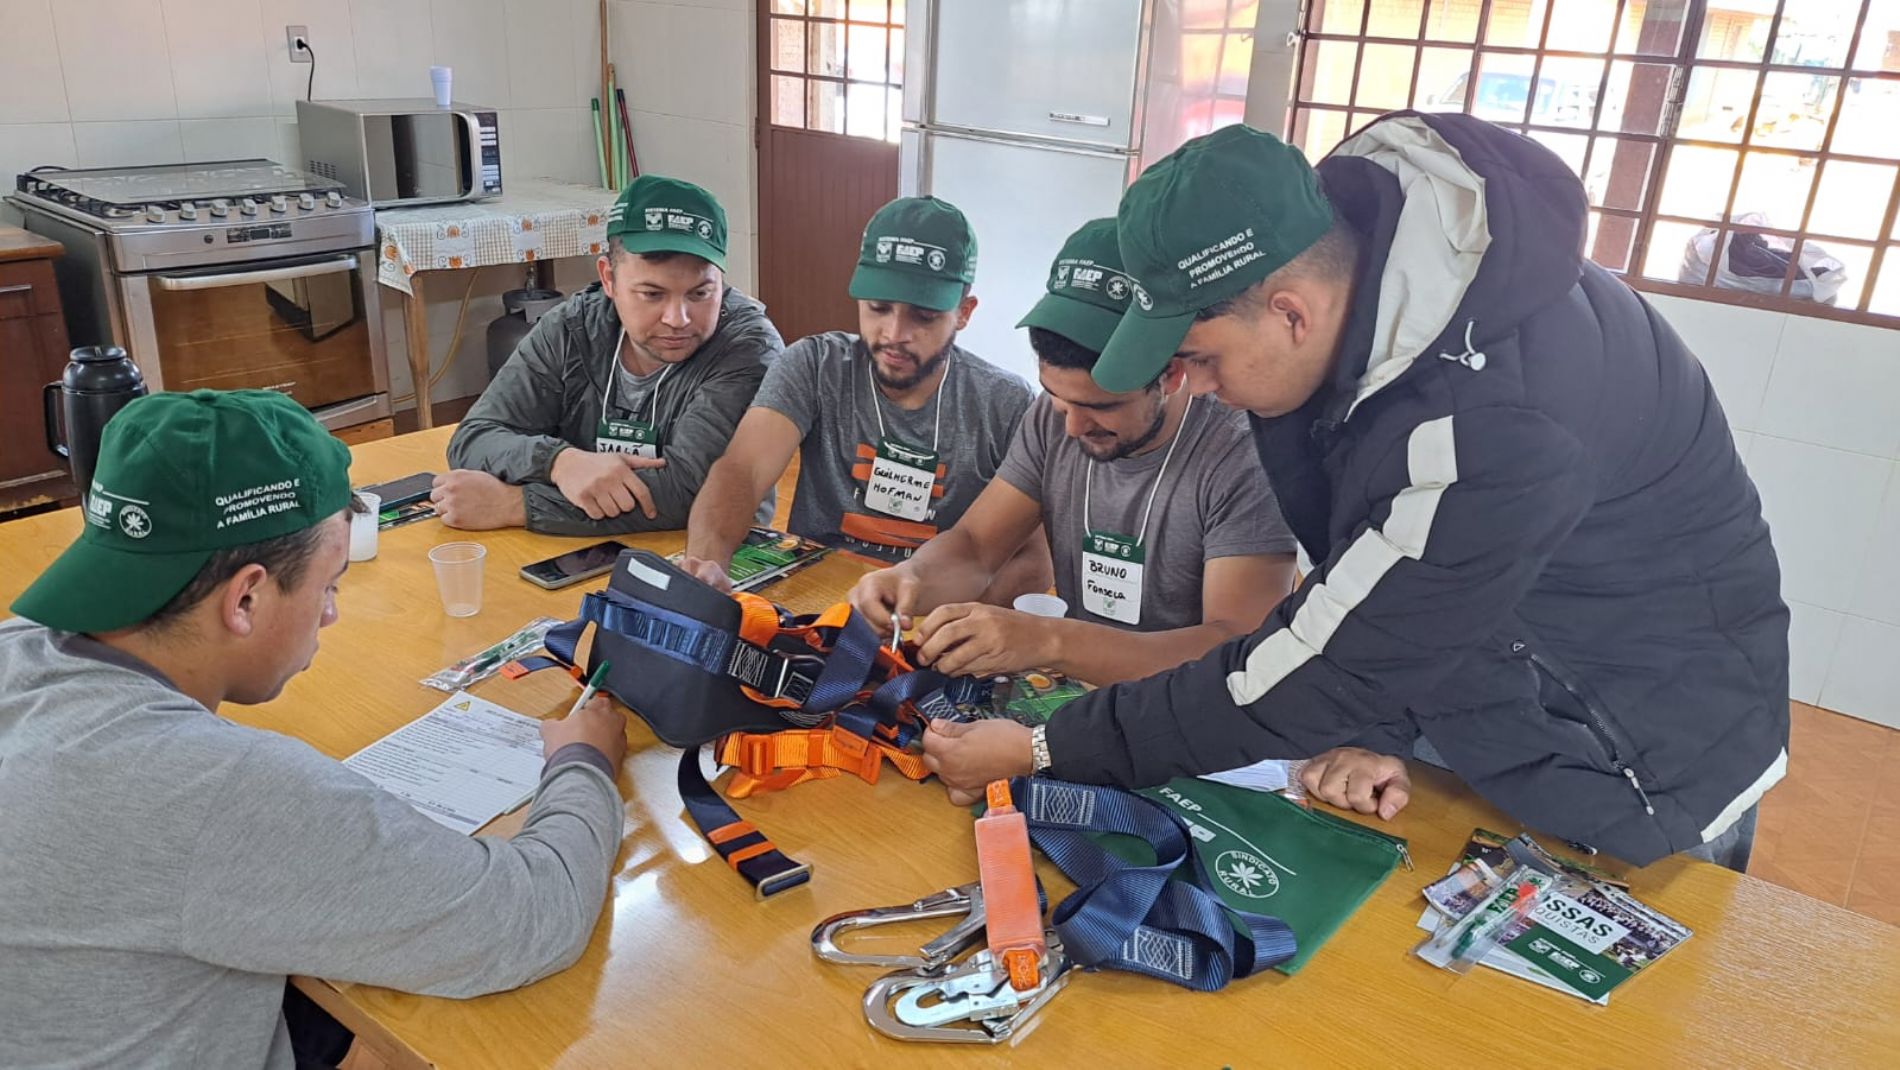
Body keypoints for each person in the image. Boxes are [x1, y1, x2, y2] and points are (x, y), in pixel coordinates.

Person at [921, 117, 1789, 872]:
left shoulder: (1492, 416)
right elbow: (1381, 561)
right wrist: (1380, 726)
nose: (1201, 387)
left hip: (1639, 759)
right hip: (1499, 690)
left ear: (1290, 313)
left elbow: (1317, 668)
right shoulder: (1380, 304)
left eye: (1202, 360)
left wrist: (1043, 746)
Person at [0, 390, 629, 1069]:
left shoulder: (17, 650)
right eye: (329, 586)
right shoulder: (214, 791)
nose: (330, 615)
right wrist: (583, 763)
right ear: (245, 597)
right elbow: (529, 916)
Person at [849, 218, 1298, 685]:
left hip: (1184, 707)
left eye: (1100, 407)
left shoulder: (1243, 455)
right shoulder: (1053, 417)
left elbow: (1238, 649)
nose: (1072, 426)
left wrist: (1050, 641)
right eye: (1057, 398)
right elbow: (977, 546)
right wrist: (913, 577)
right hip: (1076, 694)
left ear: (1171, 373)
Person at [682, 196, 1048, 595]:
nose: (894, 334)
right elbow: (742, 471)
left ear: (964, 312)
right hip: (813, 599)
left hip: (933, 604)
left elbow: (1033, 559)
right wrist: (707, 564)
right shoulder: (815, 365)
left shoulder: (1005, 404)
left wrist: (943, 620)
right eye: (878, 308)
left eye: (923, 316)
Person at [436, 174, 784, 533]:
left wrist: (516, 504)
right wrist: (558, 462)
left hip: (708, 549)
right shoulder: (572, 327)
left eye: (700, 294)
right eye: (652, 294)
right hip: (577, 546)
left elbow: (690, 491)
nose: (677, 319)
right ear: (608, 279)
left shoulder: (749, 349)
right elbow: (475, 437)